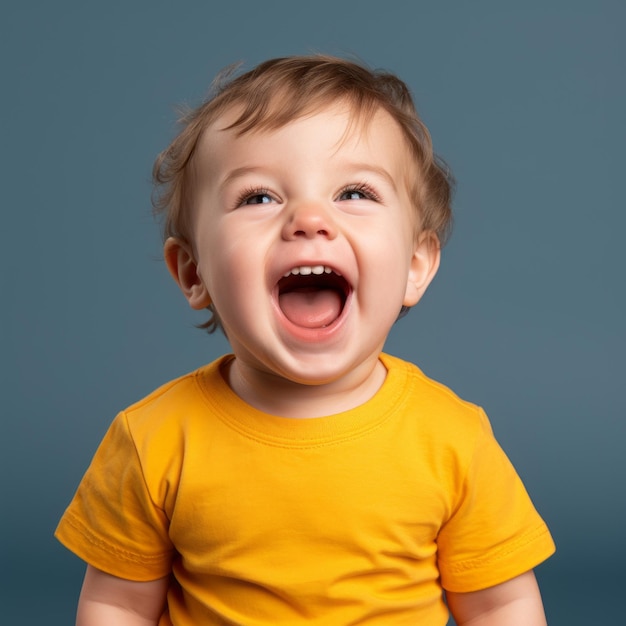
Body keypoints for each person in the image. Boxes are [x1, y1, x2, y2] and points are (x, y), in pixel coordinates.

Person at [56, 55, 555, 625]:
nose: (310, 219)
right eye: (258, 198)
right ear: (194, 273)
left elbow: (501, 605)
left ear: (416, 265)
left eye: (356, 192)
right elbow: (117, 604)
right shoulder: (152, 440)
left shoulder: (452, 440)